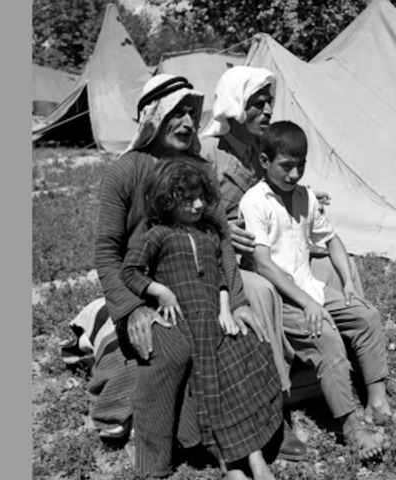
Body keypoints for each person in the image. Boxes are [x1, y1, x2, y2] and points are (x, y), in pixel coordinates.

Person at [94, 74, 269, 477]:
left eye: (192, 113)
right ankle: (157, 460)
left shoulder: (197, 170)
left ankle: (252, 438)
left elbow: (221, 237)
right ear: (153, 118)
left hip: (201, 287)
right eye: (177, 113)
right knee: (169, 354)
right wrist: (134, 309)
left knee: (241, 340)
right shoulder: (124, 172)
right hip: (146, 292)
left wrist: (237, 301)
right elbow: (107, 253)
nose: (189, 123)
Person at [199, 66, 366, 458]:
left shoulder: (263, 148)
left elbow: (276, 194)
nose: (268, 110)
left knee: (336, 267)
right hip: (226, 257)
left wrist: (305, 198)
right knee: (260, 293)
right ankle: (276, 413)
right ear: (236, 106)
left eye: (269, 101)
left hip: (265, 252)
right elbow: (188, 209)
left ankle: (354, 370)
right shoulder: (211, 153)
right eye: (258, 103)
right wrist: (221, 227)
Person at [238, 121, 396, 461]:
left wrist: (350, 283)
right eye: (286, 166)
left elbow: (332, 239)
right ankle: (352, 426)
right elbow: (263, 263)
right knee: (325, 335)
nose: (294, 174)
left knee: (366, 316)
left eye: (301, 166)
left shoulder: (305, 196)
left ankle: (378, 405)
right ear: (264, 161)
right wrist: (308, 302)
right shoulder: (255, 202)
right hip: (281, 299)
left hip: (311, 289)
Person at [121, 159, 282, 480]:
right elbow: (130, 271)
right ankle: (230, 463)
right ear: (167, 200)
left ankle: (254, 455)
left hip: (215, 318)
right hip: (184, 322)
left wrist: (226, 308)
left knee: (249, 347)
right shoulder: (158, 235)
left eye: (200, 197)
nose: (197, 205)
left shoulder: (209, 233)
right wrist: (160, 292)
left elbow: (221, 274)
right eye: (186, 199)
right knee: (209, 381)